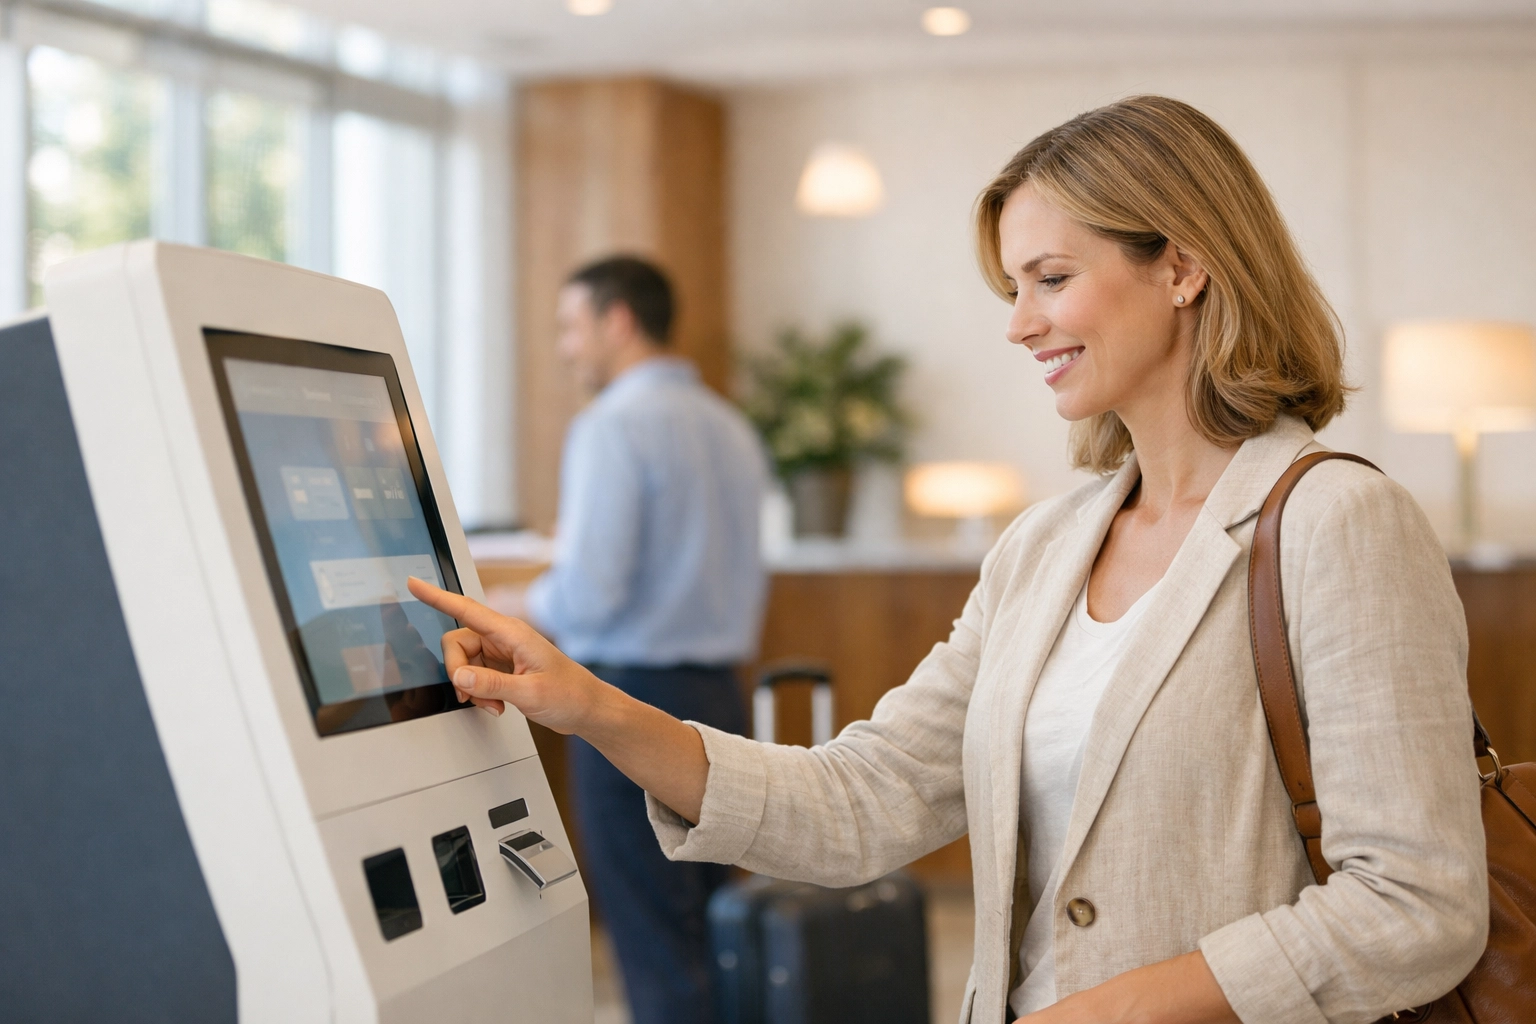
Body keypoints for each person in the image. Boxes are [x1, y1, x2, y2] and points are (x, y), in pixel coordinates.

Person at [410, 96, 1487, 1023]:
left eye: (1050, 277)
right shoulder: (1044, 548)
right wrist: (588, 702)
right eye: (1012, 287)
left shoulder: (1337, 521)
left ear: (1185, 267)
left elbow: (1418, 903)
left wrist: (1120, 1003)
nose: (1020, 325)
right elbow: (862, 798)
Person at [510, 255, 768, 1024]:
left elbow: (590, 591)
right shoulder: (730, 424)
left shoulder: (612, 426)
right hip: (720, 692)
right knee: (713, 923)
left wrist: (501, 602)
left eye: (570, 326)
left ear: (618, 321)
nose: (565, 347)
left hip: (632, 699)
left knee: (653, 933)